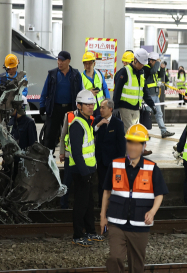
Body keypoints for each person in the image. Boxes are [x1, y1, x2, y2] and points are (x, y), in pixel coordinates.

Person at [100, 124, 168, 273]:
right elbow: (107, 192)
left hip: (140, 225)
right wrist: (102, 216)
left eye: (137, 143)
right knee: (115, 257)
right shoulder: (115, 164)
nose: (133, 147)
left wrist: (152, 212)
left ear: (144, 146)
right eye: (130, 142)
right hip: (117, 223)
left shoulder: (152, 168)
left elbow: (159, 194)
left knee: (137, 266)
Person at [66, 89, 104, 247]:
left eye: (92, 104)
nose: (91, 106)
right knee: (81, 204)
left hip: (88, 171)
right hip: (80, 171)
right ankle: (77, 235)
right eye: (87, 104)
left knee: (89, 203)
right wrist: (84, 173)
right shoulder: (77, 124)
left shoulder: (88, 121)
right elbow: (76, 153)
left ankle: (90, 231)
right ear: (79, 106)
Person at [39, 51, 83, 151]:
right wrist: (42, 105)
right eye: (58, 60)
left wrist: (81, 107)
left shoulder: (76, 75)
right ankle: (48, 161)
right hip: (54, 109)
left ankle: (69, 159)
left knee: (71, 135)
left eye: (62, 60)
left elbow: (80, 92)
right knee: (49, 136)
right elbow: (44, 91)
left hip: (70, 109)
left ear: (68, 61)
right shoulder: (52, 74)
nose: (59, 62)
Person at [113, 48, 157, 131]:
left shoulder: (141, 73)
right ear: (135, 60)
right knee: (128, 132)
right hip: (125, 108)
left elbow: (144, 91)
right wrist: (115, 107)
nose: (142, 66)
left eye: (143, 64)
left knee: (134, 132)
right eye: (141, 63)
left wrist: (152, 104)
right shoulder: (124, 71)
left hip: (136, 108)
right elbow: (117, 90)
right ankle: (125, 144)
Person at [93, 99, 126, 207]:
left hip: (113, 160)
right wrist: (98, 125)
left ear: (110, 109)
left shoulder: (118, 123)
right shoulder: (98, 119)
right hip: (101, 159)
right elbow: (90, 132)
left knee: (114, 184)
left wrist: (121, 161)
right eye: (100, 108)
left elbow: (121, 144)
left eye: (103, 108)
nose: (100, 110)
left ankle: (113, 206)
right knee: (101, 184)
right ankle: (101, 205)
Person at [143, 52, 174, 138]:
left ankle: (163, 131)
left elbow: (160, 74)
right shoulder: (146, 68)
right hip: (149, 95)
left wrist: (162, 68)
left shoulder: (154, 68)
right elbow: (152, 71)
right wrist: (157, 62)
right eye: (156, 61)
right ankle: (143, 132)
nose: (157, 63)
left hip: (155, 95)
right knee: (146, 114)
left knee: (159, 114)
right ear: (151, 61)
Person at [6, 96, 37, 179]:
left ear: (18, 107)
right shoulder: (10, 122)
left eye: (11, 106)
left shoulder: (29, 123)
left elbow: (33, 145)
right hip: (10, 162)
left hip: (22, 164)